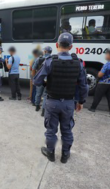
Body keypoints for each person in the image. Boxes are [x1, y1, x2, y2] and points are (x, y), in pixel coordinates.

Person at [34, 33, 88, 164]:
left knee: (51, 130)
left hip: (52, 102)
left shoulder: (49, 61)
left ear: (57, 45)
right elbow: (83, 85)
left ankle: (50, 153)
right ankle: (65, 155)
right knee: (67, 130)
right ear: (71, 47)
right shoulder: (78, 63)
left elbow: (37, 81)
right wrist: (81, 102)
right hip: (69, 103)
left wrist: (47, 82)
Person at [88, 48, 110, 115]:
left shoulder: (107, 64)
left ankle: (93, 108)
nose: (105, 56)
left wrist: (99, 73)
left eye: (107, 54)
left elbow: (100, 74)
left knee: (97, 96)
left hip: (103, 83)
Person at [32, 46, 52, 111]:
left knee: (38, 93)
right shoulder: (52, 59)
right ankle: (43, 110)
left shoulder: (39, 59)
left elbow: (33, 68)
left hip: (40, 79)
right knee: (45, 95)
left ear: (45, 51)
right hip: (48, 80)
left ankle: (37, 106)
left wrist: (34, 77)